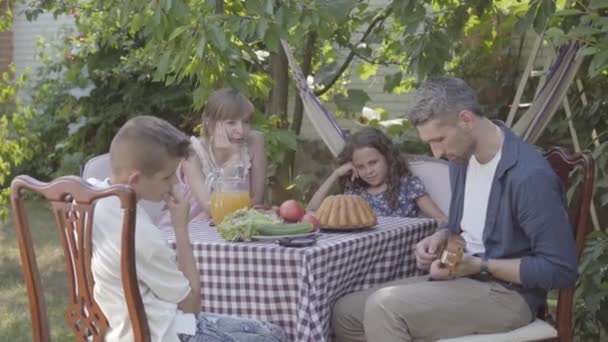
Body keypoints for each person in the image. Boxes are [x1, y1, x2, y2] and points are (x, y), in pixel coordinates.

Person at [331, 77, 578, 341]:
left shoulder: (529, 177)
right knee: (345, 314)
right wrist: (440, 236)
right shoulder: (461, 160)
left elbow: (560, 270)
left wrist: (479, 266)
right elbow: (463, 227)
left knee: (384, 308)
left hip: (507, 295)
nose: (436, 153)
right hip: (459, 279)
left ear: (466, 120)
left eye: (439, 140)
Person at [89, 115, 286, 342]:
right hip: (163, 334)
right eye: (167, 176)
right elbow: (191, 306)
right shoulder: (142, 236)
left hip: (123, 327)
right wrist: (181, 228)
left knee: (274, 333)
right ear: (135, 180)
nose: (177, 183)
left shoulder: (90, 199)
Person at [162, 88, 267, 223]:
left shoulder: (255, 142)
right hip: (191, 228)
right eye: (231, 123)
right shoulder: (192, 153)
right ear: (210, 123)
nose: (241, 130)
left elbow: (257, 200)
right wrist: (233, 158)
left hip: (237, 226)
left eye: (246, 121)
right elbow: (212, 210)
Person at [307, 126, 447, 224]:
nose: (368, 171)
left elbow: (441, 218)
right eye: (360, 167)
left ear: (387, 157)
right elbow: (311, 210)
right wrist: (336, 174)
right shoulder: (356, 193)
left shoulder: (407, 185)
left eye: (373, 163)